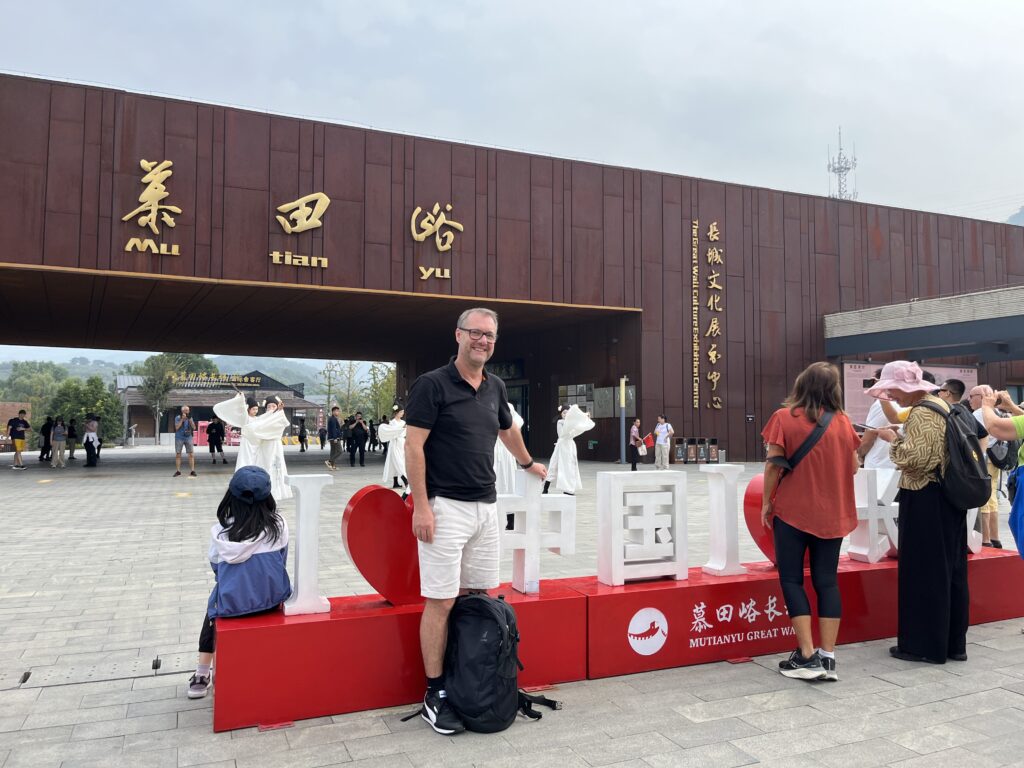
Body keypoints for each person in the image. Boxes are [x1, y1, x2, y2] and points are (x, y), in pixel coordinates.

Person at [405, 307, 546, 735]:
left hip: (487, 509)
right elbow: (414, 446)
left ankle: (467, 680)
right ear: (458, 336)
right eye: (476, 333)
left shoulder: (495, 386)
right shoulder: (431, 385)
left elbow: (507, 430)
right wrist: (423, 506)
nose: (483, 341)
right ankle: (435, 691)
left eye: (490, 336)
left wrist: (527, 463)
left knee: (476, 597)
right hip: (445, 507)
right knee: (441, 600)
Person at [761, 362, 860, 681]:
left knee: (792, 579)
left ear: (801, 384)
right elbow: (854, 467)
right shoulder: (844, 422)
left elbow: (774, 465)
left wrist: (766, 502)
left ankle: (806, 655)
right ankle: (828, 657)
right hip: (833, 514)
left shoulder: (784, 418)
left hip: (793, 512)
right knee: (827, 581)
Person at [867, 360, 967, 664]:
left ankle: (924, 645)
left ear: (905, 387)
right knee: (950, 571)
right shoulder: (941, 405)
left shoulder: (923, 412)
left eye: (893, 389)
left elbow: (918, 460)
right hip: (948, 497)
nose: (892, 395)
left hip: (925, 496)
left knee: (924, 572)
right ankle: (953, 643)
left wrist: (894, 441)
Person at [187, 466, 291, 699]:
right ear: (268, 498)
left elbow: (216, 569)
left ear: (231, 497)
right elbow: (282, 559)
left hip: (233, 607)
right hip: (273, 599)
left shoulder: (220, 533)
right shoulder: (279, 525)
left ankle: (202, 673)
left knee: (213, 606)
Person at [214, 393, 292, 500]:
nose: (271, 408)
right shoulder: (260, 419)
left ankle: (273, 492)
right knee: (253, 465)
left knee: (273, 468)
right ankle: (245, 487)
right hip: (254, 445)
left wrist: (279, 411)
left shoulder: (275, 418)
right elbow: (244, 414)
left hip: (272, 447)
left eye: (273, 406)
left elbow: (278, 420)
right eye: (269, 406)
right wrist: (240, 400)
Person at [969, 385, 1003, 548]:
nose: (969, 400)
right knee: (993, 497)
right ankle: (995, 538)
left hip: (983, 458)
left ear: (981, 396)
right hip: (996, 459)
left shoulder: (977, 414)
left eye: (971, 396)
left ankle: (986, 539)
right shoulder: (997, 412)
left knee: (984, 497)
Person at [544, 404, 595, 494]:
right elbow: (563, 434)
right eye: (564, 413)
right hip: (561, 446)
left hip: (569, 446)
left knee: (570, 467)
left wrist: (584, 417)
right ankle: (545, 488)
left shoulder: (572, 424)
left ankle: (568, 489)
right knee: (553, 466)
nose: (565, 415)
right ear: (561, 414)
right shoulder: (560, 422)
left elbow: (579, 428)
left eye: (567, 413)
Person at [494, 403, 526, 529]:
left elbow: (517, 422)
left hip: (504, 450)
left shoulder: (507, 406)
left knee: (507, 483)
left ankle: (510, 519)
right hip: (496, 449)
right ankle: (502, 519)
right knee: (500, 482)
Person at [378, 407, 407, 490]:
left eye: (403, 412)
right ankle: (405, 479)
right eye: (401, 412)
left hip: (402, 443)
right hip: (394, 443)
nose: (402, 413)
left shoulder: (403, 422)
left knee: (400, 461)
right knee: (397, 461)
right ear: (396, 413)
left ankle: (396, 483)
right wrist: (401, 429)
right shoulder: (392, 422)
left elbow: (405, 433)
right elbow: (392, 432)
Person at [174, 406, 198, 477]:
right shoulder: (178, 417)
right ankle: (178, 471)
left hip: (188, 437)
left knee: (191, 454)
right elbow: (176, 428)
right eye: (185, 410)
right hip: (179, 437)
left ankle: (192, 471)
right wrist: (182, 420)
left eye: (188, 410)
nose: (187, 412)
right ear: (182, 411)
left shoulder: (190, 418)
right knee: (178, 454)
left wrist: (190, 420)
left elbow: (194, 427)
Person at [325, 406, 343, 471]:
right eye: (336, 411)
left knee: (333, 452)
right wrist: (335, 438)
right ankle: (329, 461)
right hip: (334, 438)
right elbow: (334, 429)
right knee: (340, 451)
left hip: (331, 438)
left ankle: (333, 466)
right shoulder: (333, 419)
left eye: (338, 411)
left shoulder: (332, 418)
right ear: (333, 412)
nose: (337, 412)